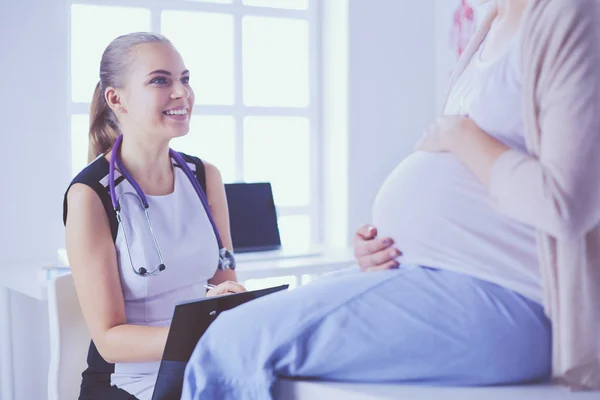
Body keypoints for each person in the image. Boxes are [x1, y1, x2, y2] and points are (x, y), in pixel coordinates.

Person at [180, 0, 600, 398]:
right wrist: (390, 241)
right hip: (432, 274)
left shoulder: (568, 14)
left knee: (230, 343)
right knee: (234, 332)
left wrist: (462, 135)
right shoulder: (492, 22)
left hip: (506, 293)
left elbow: (565, 205)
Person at [62, 32, 247, 400]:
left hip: (200, 367)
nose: (182, 93)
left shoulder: (205, 177)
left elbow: (225, 279)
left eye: (185, 79)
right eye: (160, 80)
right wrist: (198, 334)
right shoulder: (90, 196)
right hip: (126, 383)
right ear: (117, 99)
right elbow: (110, 340)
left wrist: (233, 299)